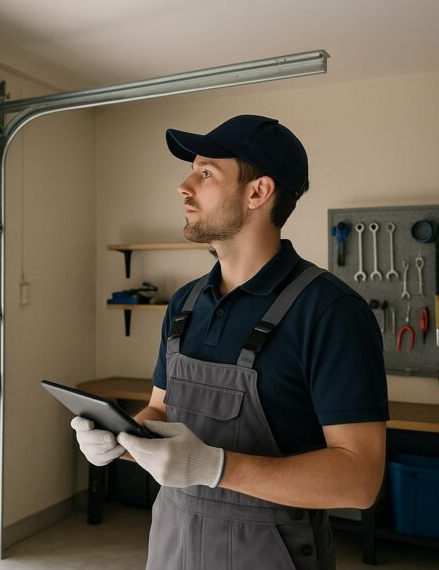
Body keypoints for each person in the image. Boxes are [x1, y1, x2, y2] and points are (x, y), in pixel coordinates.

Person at [72, 114, 388, 570]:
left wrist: (215, 467)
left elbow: (360, 480)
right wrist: (121, 437)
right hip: (172, 547)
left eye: (205, 173)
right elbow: (161, 409)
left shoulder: (331, 312)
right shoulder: (184, 303)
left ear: (258, 192)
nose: (184, 186)